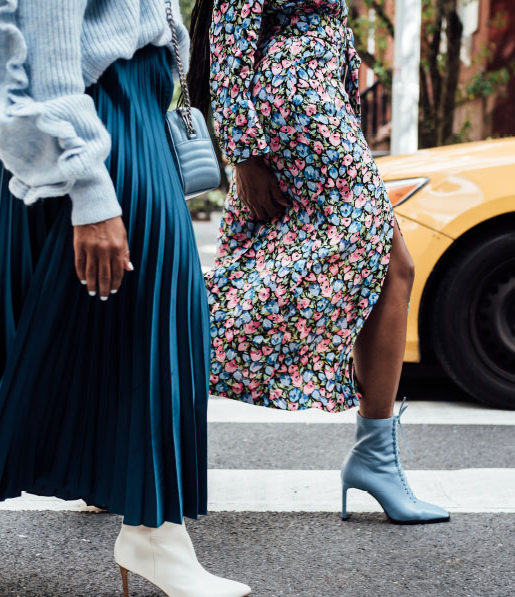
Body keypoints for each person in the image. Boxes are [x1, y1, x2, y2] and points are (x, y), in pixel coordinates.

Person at [0, 1, 251, 595]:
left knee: (132, 326)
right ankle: (155, 538)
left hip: (133, 120)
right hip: (94, 131)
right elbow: (44, 51)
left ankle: (155, 535)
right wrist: (91, 192)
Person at [188, 0, 450, 524]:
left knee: (391, 266)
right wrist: (243, 153)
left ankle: (375, 455)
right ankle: (148, 370)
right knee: (372, 255)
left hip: (316, 96)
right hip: (298, 100)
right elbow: (231, 29)